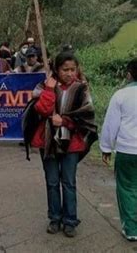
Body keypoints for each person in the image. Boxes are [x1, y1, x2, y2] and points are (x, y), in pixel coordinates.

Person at [24, 52, 97, 238]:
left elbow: (86, 113)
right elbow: (41, 109)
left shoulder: (82, 89)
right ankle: (55, 218)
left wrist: (64, 121)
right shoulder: (43, 86)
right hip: (47, 142)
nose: (69, 73)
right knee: (52, 182)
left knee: (69, 182)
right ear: (56, 69)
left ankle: (70, 220)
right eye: (65, 69)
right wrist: (49, 89)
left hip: (71, 143)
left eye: (73, 69)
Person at [100, 58, 137, 241]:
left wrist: (106, 148)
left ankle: (131, 229)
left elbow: (110, 125)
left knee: (127, 188)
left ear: (129, 74)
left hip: (128, 150)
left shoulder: (121, 95)